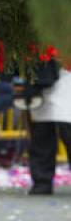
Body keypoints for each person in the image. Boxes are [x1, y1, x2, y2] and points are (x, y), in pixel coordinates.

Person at [28, 66, 71, 195]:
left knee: (64, 131)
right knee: (42, 135)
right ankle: (42, 181)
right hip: (43, 76)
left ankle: (42, 182)